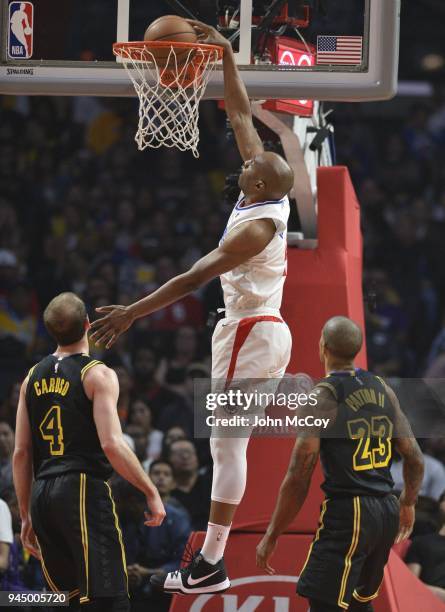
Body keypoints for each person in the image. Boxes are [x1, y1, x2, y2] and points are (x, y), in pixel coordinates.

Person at [91, 19, 294, 595]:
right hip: (261, 330)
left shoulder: (253, 233)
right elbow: (238, 114)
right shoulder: (265, 191)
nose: (245, 163)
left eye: (249, 169)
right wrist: (226, 53)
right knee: (231, 444)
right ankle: (211, 558)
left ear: (257, 188)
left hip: (250, 332)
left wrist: (132, 310)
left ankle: (210, 561)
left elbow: (191, 278)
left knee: (227, 445)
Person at [256, 316, 425, 612]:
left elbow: (299, 474)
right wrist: (408, 502)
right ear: (356, 350)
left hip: (352, 511)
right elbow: (414, 456)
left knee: (324, 603)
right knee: (359, 605)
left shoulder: (322, 397)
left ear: (323, 346)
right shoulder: (383, 388)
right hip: (386, 509)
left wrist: (272, 534)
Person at [12, 292, 165, 611]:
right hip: (79, 488)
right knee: (110, 598)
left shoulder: (30, 379)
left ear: (50, 330)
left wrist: (26, 515)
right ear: (87, 324)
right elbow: (111, 443)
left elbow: (21, 454)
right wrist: (149, 490)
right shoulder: (97, 373)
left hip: (41, 492)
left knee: (67, 600)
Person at [405, 491, 445, 602]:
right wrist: (437, 593)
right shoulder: (421, 542)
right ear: (442, 504)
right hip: (424, 602)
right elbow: (410, 583)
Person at [167, 439, 212, 531]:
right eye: (179, 453)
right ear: (169, 458)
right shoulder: (166, 490)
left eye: (189, 452)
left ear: (197, 457)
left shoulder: (211, 484)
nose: (185, 456)